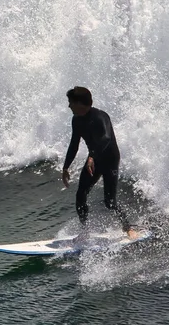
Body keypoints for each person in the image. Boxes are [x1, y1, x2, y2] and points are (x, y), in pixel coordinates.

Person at [61, 86, 137, 239]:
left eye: (71, 103)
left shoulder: (101, 117)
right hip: (94, 160)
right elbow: (74, 144)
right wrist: (65, 167)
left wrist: (92, 156)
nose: (69, 106)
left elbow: (106, 138)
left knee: (109, 202)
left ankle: (128, 228)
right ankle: (85, 232)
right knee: (80, 195)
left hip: (109, 160)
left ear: (79, 103)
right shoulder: (76, 120)